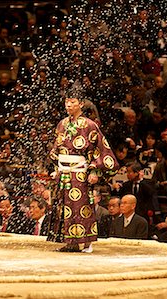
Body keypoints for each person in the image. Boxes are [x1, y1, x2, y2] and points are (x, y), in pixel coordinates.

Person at [49, 91, 119, 252]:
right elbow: (56, 149)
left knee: (81, 206)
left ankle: (87, 243)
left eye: (72, 102)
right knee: (65, 207)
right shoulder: (62, 124)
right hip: (64, 172)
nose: (68, 105)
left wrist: (94, 170)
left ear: (81, 104)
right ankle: (71, 242)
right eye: (66, 102)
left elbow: (100, 149)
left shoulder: (90, 125)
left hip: (80, 172)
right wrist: (56, 169)